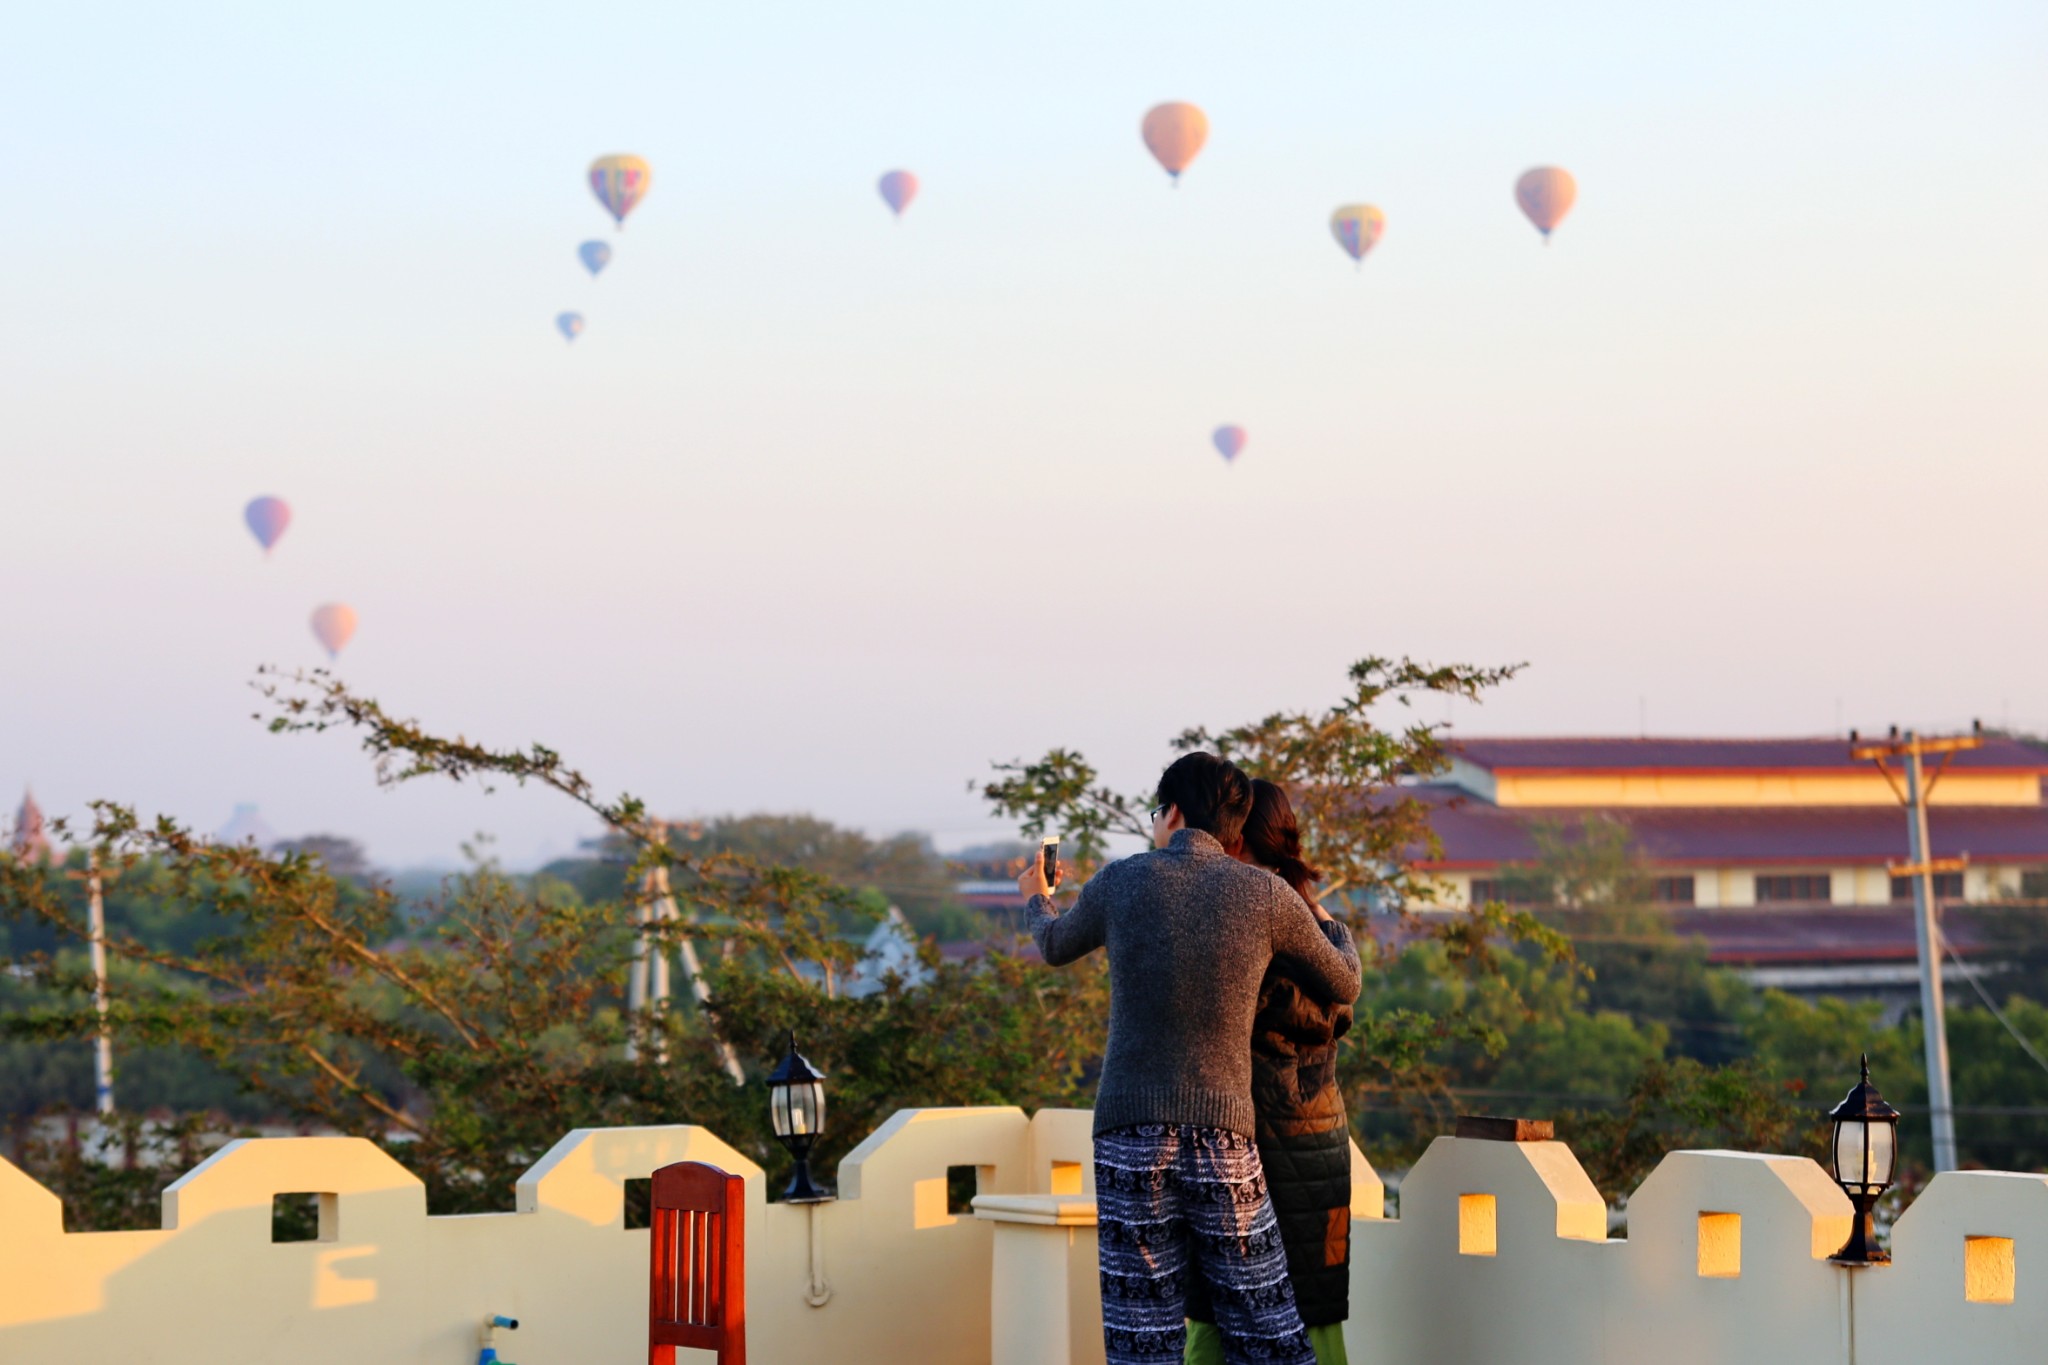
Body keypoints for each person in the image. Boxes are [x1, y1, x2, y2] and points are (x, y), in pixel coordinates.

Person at [1018, 753, 1362, 1365]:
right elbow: (1344, 982)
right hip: (1225, 1136)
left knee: (1142, 1329)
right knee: (1264, 1323)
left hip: (1129, 1133)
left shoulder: (1122, 880)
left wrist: (1038, 897)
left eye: (1157, 811)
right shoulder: (1265, 893)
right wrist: (1333, 925)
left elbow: (1053, 943)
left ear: (1173, 811)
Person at [1185, 780, 1355, 1365]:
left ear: (1235, 838)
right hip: (1323, 1139)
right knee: (1316, 1315)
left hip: (1252, 1140)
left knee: (1213, 1314)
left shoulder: (1247, 916)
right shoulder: (1316, 925)